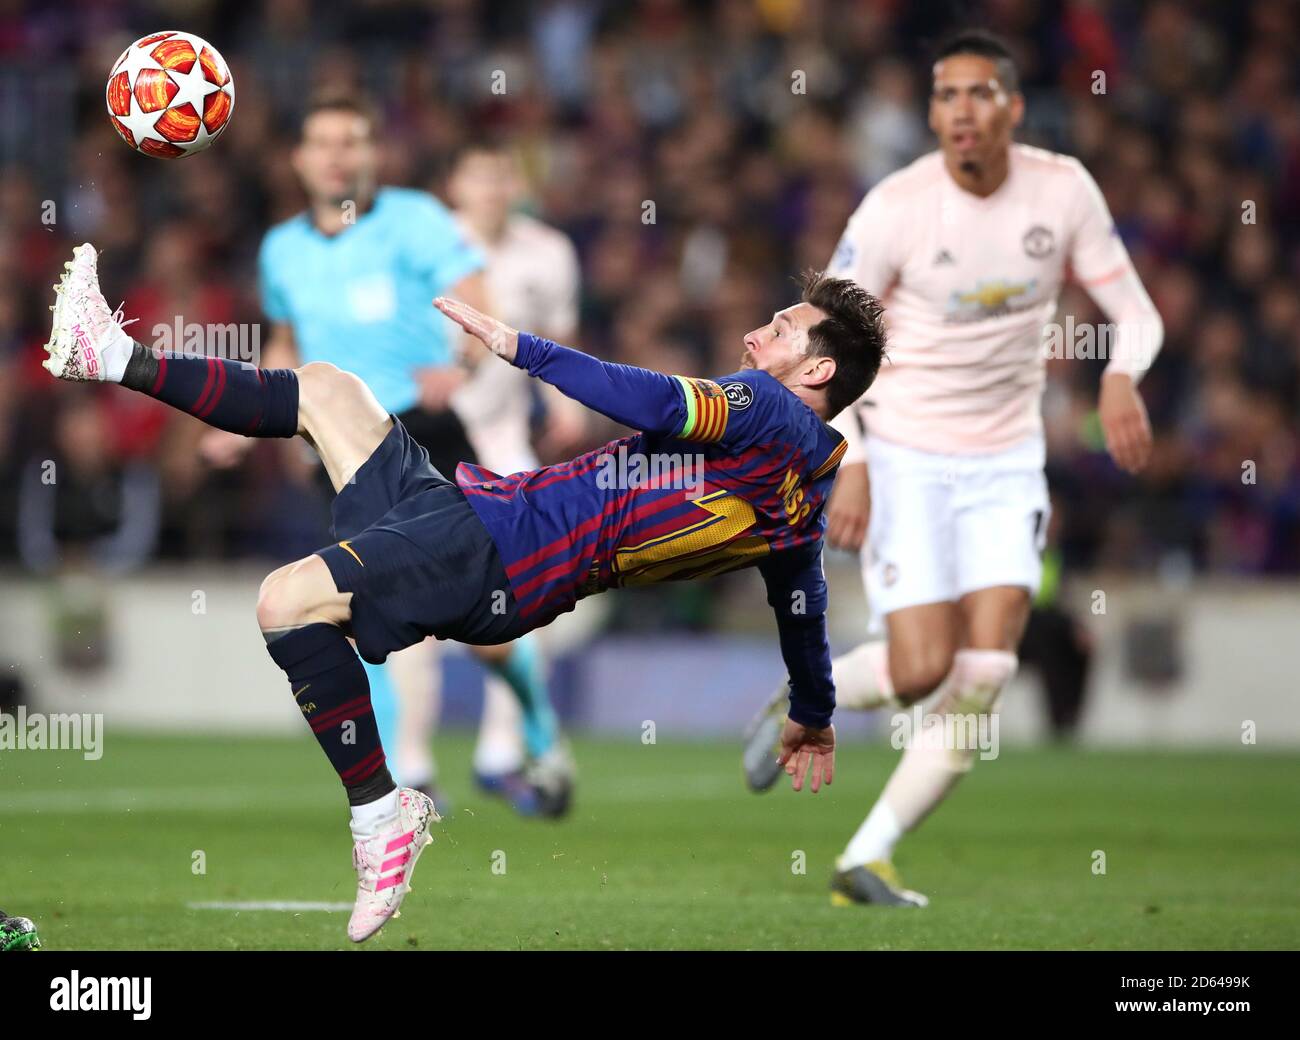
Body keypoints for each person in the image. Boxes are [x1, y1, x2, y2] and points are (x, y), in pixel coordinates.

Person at [44, 243, 886, 942]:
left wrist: (524, 349)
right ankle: (109, 354)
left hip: (503, 553)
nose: (750, 336)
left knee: (285, 601)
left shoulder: (771, 410)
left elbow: (656, 399)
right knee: (330, 391)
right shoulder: (801, 502)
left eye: (777, 330)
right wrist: (812, 710)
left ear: (816, 367)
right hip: (487, 518)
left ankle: (380, 817)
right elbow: (801, 607)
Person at [742, 30, 1163, 908]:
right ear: (932, 112)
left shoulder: (1064, 189)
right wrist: (846, 454)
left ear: (1011, 106)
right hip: (906, 453)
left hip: (1008, 459)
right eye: (944, 96)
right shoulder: (898, 206)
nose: (960, 112)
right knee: (916, 670)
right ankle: (806, 691)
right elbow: (831, 339)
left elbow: (1136, 310)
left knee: (987, 669)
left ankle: (869, 856)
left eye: (978, 94)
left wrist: (1121, 374)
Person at [204, 94, 570, 815]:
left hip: (424, 434)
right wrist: (245, 419)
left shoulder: (415, 220)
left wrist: (461, 362)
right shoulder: (282, 248)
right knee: (367, 618)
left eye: (353, 141)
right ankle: (407, 777)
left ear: (373, 155)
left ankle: (538, 724)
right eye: (324, 142)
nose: (338, 154)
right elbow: (286, 344)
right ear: (300, 160)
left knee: (487, 620)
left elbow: (475, 298)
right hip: (336, 452)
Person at [444, 139, 589, 808]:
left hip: (501, 440)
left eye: (504, 174)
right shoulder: (428, 244)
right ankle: (405, 763)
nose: (494, 187)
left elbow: (558, 342)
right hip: (423, 438)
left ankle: (501, 751)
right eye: (482, 174)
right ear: (457, 184)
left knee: (538, 589)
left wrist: (565, 406)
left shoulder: (550, 252)